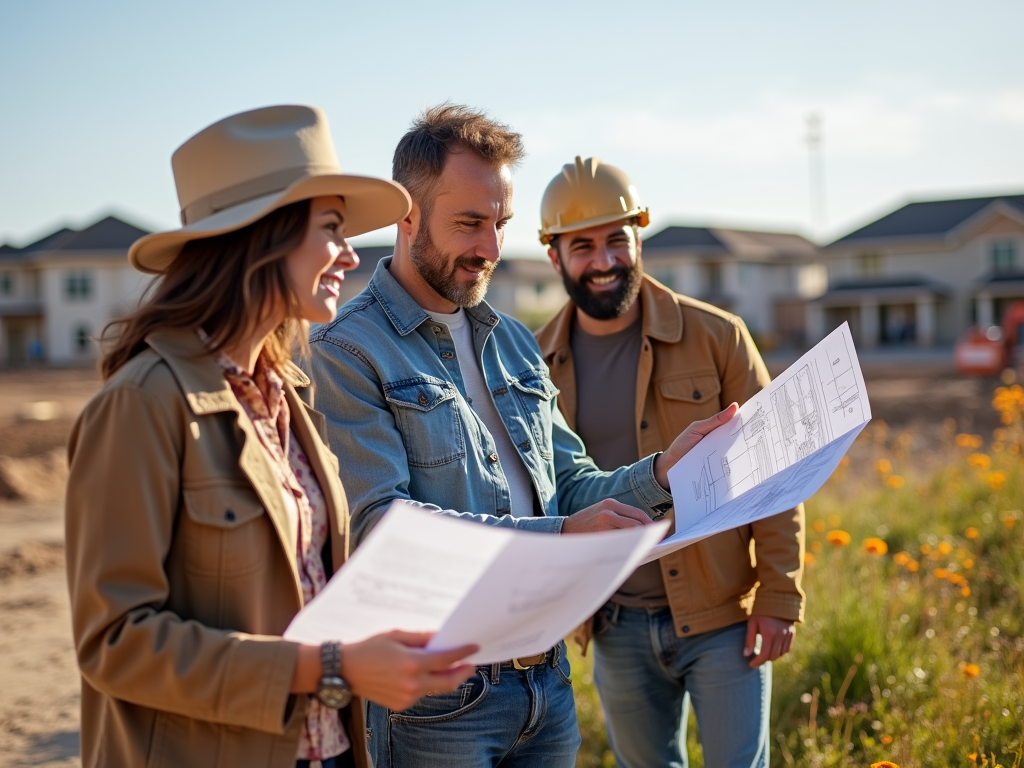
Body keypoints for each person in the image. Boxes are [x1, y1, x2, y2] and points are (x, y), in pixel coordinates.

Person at [307, 105, 736, 768]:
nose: (490, 249)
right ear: (408, 216)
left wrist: (662, 475)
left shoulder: (511, 342)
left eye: (500, 224)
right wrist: (561, 537)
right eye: (470, 223)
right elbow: (381, 530)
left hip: (545, 684)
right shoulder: (346, 352)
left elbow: (571, 486)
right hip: (435, 699)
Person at [64, 105, 480, 768]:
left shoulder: (291, 398)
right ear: (263, 237)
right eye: (333, 230)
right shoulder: (143, 405)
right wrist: (329, 666)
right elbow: (116, 643)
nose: (351, 254)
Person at [534, 156, 806, 768]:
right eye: (582, 246)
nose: (603, 261)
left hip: (723, 618)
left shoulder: (718, 337)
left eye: (616, 240)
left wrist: (779, 594)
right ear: (554, 256)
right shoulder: (532, 366)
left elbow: (776, 468)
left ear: (639, 237)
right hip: (615, 620)